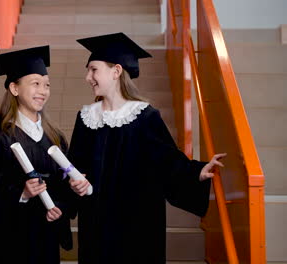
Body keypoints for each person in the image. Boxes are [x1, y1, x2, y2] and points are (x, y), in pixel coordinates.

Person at [67, 32, 227, 263]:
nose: (87, 77)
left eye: (93, 69)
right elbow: (73, 165)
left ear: (116, 71)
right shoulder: (86, 118)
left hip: (136, 221)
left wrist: (196, 172)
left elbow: (167, 161)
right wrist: (73, 181)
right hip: (96, 220)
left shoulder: (144, 116)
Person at [0, 46, 75, 264]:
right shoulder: (1, 135)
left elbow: (66, 187)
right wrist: (22, 194)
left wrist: (60, 208)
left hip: (47, 231)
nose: (43, 90)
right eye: (35, 83)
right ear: (14, 88)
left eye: (47, 85)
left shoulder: (55, 137)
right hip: (14, 234)